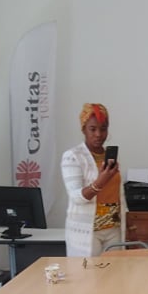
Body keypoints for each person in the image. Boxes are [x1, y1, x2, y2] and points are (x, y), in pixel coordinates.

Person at [61, 103, 127, 256]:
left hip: (114, 229)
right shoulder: (73, 156)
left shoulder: (109, 156)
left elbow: (118, 194)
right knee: (89, 271)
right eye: (93, 129)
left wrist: (129, 225)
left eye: (103, 129)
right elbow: (76, 197)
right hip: (88, 231)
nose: (98, 134)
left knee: (115, 271)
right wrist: (101, 181)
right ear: (83, 129)